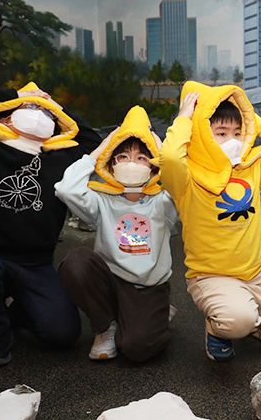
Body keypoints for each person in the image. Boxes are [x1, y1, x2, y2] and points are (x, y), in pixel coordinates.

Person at [0, 82, 101, 368]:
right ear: (5, 117)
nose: (38, 113)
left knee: (63, 335)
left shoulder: (62, 156)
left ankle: (13, 309)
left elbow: (93, 140)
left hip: (35, 265)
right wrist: (15, 95)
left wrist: (55, 105)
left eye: (46, 114)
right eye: (29, 108)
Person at [159, 81, 261, 361]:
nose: (231, 140)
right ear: (201, 134)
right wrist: (184, 118)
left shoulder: (251, 170)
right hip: (211, 276)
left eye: (237, 132)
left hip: (258, 274)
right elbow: (169, 156)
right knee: (236, 321)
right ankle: (221, 328)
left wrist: (249, 117)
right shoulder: (186, 178)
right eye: (220, 133)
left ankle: (248, 320)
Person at [55, 105, 178, 362]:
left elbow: (180, 174)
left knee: (137, 348)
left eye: (141, 158)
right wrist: (104, 146)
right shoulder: (102, 200)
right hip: (109, 281)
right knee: (76, 261)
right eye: (122, 156)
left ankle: (155, 313)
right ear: (111, 164)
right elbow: (67, 189)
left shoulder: (165, 201)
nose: (131, 163)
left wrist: (159, 145)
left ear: (154, 166)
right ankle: (105, 327)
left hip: (147, 287)